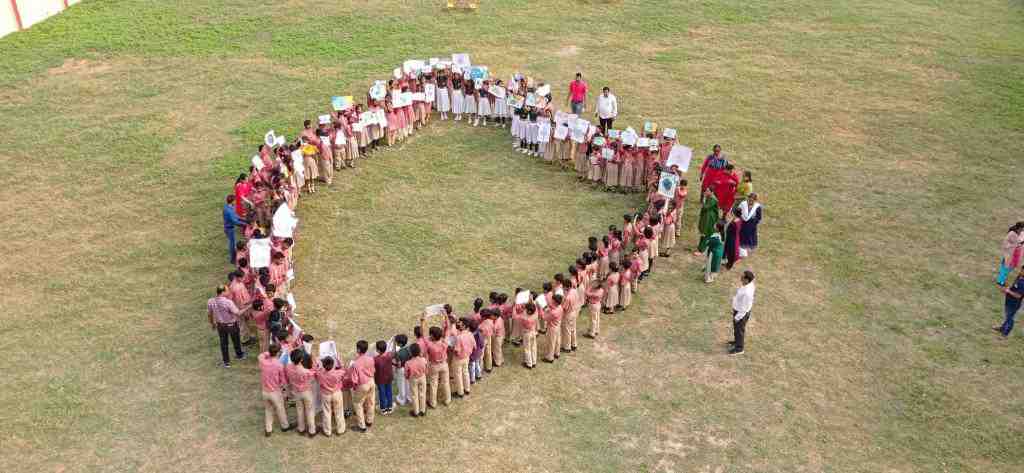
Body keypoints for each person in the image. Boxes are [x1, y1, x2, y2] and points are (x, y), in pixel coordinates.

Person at [258, 344, 293, 437]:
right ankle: (285, 426)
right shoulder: (279, 365)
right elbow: (283, 381)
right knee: (280, 409)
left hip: (265, 391)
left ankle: (268, 429)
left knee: (268, 410)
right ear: (278, 353)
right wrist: (286, 391)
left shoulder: (263, 361)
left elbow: (261, 355)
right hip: (275, 392)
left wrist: (269, 352)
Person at [207, 286, 245, 367]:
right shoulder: (228, 302)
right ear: (223, 292)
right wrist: (249, 307)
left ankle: (226, 362)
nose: (229, 292)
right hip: (231, 325)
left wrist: (212, 323)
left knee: (223, 343)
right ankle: (239, 355)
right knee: (236, 340)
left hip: (220, 325)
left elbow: (209, 314)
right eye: (227, 290)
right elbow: (238, 313)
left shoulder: (210, 301)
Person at [420, 315, 452, 408]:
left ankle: (433, 403)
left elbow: (422, 335)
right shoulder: (444, 342)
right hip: (444, 364)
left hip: (434, 365)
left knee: (434, 384)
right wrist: (446, 317)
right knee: (446, 382)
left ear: (433, 336)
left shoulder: (430, 345)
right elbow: (448, 328)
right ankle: (447, 399)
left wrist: (422, 321)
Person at [285, 349, 317, 437]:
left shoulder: (288, 367)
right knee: (309, 411)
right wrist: (314, 360)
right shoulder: (305, 371)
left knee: (299, 410)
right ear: (301, 360)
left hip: (296, 392)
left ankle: (301, 428)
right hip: (306, 392)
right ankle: (311, 430)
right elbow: (314, 372)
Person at [316, 355, 348, 437]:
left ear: (323, 365)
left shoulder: (320, 374)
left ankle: (327, 431)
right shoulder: (338, 373)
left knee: (326, 412)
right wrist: (340, 361)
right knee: (339, 411)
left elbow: (316, 371)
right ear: (333, 364)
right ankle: (341, 430)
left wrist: (318, 364)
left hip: (326, 394)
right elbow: (344, 370)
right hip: (336, 393)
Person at [350, 340, 376, 432]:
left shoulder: (355, 364)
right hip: (371, 381)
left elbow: (354, 380)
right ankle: (369, 420)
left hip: (362, 385)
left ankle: (362, 426)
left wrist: (354, 387)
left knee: (358, 404)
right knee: (370, 402)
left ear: (358, 349)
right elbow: (373, 370)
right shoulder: (371, 359)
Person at [729, 271, 756, 355]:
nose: (740, 277)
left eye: (742, 277)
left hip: (741, 314)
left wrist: (737, 317)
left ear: (747, 280)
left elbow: (744, 309)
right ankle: (737, 342)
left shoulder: (747, 293)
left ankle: (739, 349)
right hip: (739, 311)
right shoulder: (749, 285)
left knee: (739, 330)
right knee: (737, 329)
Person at [994, 270, 1024, 338]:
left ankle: (1005, 334)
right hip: (1009, 301)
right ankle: (1002, 328)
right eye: (1021, 269)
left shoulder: (1023, 283)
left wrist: (1008, 291)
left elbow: (1018, 295)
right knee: (1007, 316)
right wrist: (1007, 288)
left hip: (1014, 304)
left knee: (1010, 319)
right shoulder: (1019, 277)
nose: (1020, 271)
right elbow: (1014, 287)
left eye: (1022, 270)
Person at [404, 344, 428, 417]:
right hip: (422, 377)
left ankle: (416, 411)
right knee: (422, 393)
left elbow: (406, 373)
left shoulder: (408, 363)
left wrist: (407, 378)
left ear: (410, 353)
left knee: (414, 395)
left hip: (413, 379)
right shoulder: (423, 360)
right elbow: (426, 369)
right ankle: (423, 410)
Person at [695, 187, 720, 255]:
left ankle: (701, 250)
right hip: (706, 217)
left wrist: (704, 199)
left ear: (712, 192)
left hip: (709, 218)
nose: (706, 192)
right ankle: (700, 247)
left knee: (706, 233)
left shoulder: (713, 199)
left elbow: (706, 207)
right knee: (703, 232)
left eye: (707, 191)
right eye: (706, 190)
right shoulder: (710, 197)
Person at [223, 195, 247, 264]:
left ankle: (233, 257)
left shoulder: (228, 207)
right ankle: (233, 259)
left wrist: (243, 219)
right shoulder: (229, 211)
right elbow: (235, 221)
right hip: (229, 228)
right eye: (235, 201)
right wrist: (244, 224)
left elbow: (236, 216)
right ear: (233, 201)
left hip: (228, 227)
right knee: (232, 244)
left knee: (232, 243)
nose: (235, 202)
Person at [374, 340, 394, 415]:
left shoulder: (376, 359)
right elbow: (393, 353)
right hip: (389, 378)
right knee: (389, 392)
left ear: (378, 350)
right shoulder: (389, 356)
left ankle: (383, 409)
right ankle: (390, 407)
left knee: (382, 393)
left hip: (380, 379)